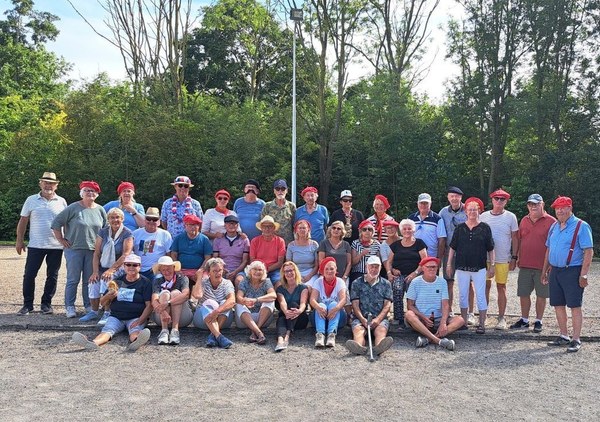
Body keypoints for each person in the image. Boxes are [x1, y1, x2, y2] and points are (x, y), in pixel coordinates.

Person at [542, 196, 593, 353]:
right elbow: (548, 249)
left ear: (570, 208)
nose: (560, 210)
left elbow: (589, 251)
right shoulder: (554, 227)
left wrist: (583, 274)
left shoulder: (581, 226)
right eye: (557, 208)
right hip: (555, 270)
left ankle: (576, 339)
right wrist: (544, 270)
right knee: (558, 304)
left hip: (572, 270)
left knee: (574, 306)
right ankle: (564, 335)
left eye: (563, 207)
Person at [71, 254, 152, 351]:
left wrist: (140, 320)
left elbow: (149, 305)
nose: (131, 267)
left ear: (140, 267)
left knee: (135, 331)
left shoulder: (145, 282)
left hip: (135, 316)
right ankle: (93, 343)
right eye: (128, 264)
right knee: (106, 331)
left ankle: (136, 341)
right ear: (124, 266)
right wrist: (108, 296)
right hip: (116, 316)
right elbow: (102, 302)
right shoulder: (117, 281)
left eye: (134, 265)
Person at [51, 180, 107, 318]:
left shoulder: (100, 210)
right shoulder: (73, 208)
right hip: (74, 249)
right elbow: (56, 223)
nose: (90, 193)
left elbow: (105, 229)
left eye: (93, 191)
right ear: (82, 192)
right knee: (73, 279)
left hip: (93, 250)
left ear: (97, 194)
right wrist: (61, 239)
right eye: (87, 190)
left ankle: (88, 305)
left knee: (90, 280)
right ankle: (70, 306)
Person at [16, 172, 67, 315]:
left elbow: (66, 223)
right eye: (45, 182)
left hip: (56, 246)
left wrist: (66, 240)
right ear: (40, 183)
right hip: (35, 244)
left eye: (51, 183)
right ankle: (27, 304)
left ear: (56, 185)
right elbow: (23, 221)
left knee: (53, 275)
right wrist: (19, 240)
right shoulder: (31, 200)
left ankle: (46, 304)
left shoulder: (62, 201)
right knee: (29, 275)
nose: (48, 185)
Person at [447, 197, 495, 334]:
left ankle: (481, 324)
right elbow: (452, 247)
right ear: (466, 211)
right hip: (462, 267)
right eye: (470, 209)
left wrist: (492, 265)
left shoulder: (485, 228)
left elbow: (491, 248)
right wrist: (449, 264)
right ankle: (463, 321)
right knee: (462, 294)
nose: (472, 212)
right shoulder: (460, 228)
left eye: (475, 209)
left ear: (479, 211)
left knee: (480, 295)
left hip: (479, 267)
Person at [510, 194, 556, 333]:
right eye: (530, 204)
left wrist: (550, 265)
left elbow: (554, 245)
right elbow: (519, 240)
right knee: (523, 293)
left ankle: (538, 320)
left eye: (536, 204)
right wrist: (515, 257)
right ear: (527, 206)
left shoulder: (552, 222)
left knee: (541, 295)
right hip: (525, 264)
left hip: (543, 266)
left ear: (542, 204)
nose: (533, 206)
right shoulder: (524, 220)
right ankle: (524, 320)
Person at [81, 207, 133, 324]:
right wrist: (95, 271)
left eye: (117, 217)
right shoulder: (103, 232)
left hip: (119, 266)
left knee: (107, 279)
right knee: (93, 282)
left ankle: (107, 312)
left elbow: (126, 254)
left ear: (122, 219)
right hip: (103, 265)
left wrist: (111, 270)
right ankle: (94, 311)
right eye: (112, 217)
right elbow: (97, 253)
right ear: (108, 219)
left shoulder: (127, 233)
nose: (115, 220)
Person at [405, 257, 465, 350]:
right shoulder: (415, 282)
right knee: (409, 314)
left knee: (460, 320)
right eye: (429, 267)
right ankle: (439, 341)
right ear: (423, 268)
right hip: (421, 319)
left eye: (434, 267)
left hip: (438, 318)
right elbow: (410, 305)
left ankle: (428, 339)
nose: (432, 269)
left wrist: (443, 322)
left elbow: (445, 304)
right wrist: (423, 317)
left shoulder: (442, 282)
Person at [479, 189, 519, 330]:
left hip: (503, 258)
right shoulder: (483, 216)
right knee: (485, 286)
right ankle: (483, 315)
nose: (499, 201)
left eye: (502, 199)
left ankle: (501, 317)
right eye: (497, 198)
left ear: (506, 201)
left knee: (501, 287)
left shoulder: (511, 217)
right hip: (485, 258)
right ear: (492, 200)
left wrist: (514, 256)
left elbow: (515, 237)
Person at [345, 256, 394, 356]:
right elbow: (355, 305)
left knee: (380, 331)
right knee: (359, 331)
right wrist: (362, 319)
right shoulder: (356, 283)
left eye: (377, 267)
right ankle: (359, 347)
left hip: (379, 317)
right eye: (371, 266)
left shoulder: (386, 284)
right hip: (360, 317)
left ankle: (379, 347)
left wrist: (378, 319)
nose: (374, 269)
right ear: (366, 267)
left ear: (380, 268)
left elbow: (387, 305)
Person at [384, 219, 427, 328]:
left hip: (415, 274)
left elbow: (424, 261)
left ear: (414, 230)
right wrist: (391, 271)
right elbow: (389, 261)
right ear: (401, 230)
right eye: (404, 229)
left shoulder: (419, 243)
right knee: (397, 289)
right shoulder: (396, 245)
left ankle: (415, 317)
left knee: (413, 292)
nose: (407, 231)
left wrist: (415, 273)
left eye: (409, 229)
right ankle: (399, 319)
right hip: (400, 274)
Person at [191, 257, 236, 349]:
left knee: (225, 302)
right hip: (203, 319)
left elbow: (232, 301)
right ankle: (219, 337)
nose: (218, 273)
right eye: (214, 271)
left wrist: (217, 311)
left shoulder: (227, 283)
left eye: (220, 270)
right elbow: (197, 295)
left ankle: (214, 335)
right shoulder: (203, 282)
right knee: (209, 302)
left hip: (222, 319)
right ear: (208, 272)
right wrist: (199, 277)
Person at [151, 256, 192, 346]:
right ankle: (164, 330)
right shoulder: (157, 281)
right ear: (160, 271)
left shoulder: (182, 278)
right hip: (162, 318)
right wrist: (163, 312)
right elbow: (154, 300)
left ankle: (175, 330)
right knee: (165, 293)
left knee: (176, 293)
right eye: (163, 270)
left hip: (182, 317)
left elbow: (185, 295)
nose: (166, 272)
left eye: (169, 268)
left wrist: (167, 303)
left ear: (174, 268)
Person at [439, 186, 467, 312]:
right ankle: (449, 310)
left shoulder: (468, 210)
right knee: (448, 282)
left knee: (467, 283)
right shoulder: (443, 212)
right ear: (448, 198)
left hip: (466, 252)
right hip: (448, 252)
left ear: (461, 197)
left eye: (457, 196)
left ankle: (468, 312)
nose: (454, 198)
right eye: (452, 196)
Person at [235, 260, 276, 345]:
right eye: (255, 269)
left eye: (260, 270)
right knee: (239, 304)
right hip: (246, 319)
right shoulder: (244, 281)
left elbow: (273, 295)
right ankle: (259, 333)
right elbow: (239, 297)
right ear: (250, 271)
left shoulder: (266, 281)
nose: (257, 272)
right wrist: (244, 301)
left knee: (270, 301)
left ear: (263, 272)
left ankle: (255, 332)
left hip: (263, 318)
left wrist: (256, 299)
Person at [309, 257, 347, 348]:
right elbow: (312, 300)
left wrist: (336, 308)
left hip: (337, 318)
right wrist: (318, 307)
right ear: (322, 270)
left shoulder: (340, 282)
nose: (329, 271)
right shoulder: (318, 282)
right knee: (321, 304)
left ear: (336, 270)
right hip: (320, 317)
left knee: (334, 304)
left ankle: (331, 335)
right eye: (326, 269)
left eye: (332, 269)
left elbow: (343, 300)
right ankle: (320, 335)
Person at [274, 261, 309, 352]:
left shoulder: (303, 287)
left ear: (295, 271)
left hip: (300, 319)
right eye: (286, 271)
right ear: (283, 274)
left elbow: (303, 303)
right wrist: (286, 312)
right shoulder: (280, 288)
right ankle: (281, 340)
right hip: (286, 316)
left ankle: (287, 335)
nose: (289, 273)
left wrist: (299, 311)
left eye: (291, 270)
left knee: (293, 305)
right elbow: (282, 302)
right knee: (281, 318)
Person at [132, 207, 173, 281]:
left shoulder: (165, 234)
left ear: (158, 221)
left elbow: (169, 254)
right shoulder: (135, 233)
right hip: (137, 269)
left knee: (157, 281)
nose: (151, 221)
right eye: (148, 218)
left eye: (154, 219)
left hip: (156, 271)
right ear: (144, 219)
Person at [170, 214, 212, 284]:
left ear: (199, 226)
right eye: (190, 225)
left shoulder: (204, 239)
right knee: (175, 282)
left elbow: (208, 257)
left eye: (195, 225)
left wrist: (201, 270)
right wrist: (177, 269)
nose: (193, 227)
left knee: (205, 281)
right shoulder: (178, 238)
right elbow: (173, 254)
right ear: (185, 226)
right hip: (181, 269)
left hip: (199, 269)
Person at [246, 215, 286, 285]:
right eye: (265, 226)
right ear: (261, 228)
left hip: (274, 270)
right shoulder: (255, 241)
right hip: (257, 268)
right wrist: (261, 270)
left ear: (274, 228)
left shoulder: (280, 241)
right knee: (242, 280)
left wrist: (267, 269)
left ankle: (276, 296)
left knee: (279, 283)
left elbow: (280, 262)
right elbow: (252, 260)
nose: (267, 229)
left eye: (270, 226)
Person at [408, 193, 447, 260]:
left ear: (430, 204)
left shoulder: (437, 219)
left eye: (426, 203)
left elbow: (442, 239)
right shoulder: (411, 218)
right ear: (417, 204)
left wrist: (439, 258)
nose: (423, 205)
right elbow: (406, 236)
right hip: (413, 256)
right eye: (421, 203)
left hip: (431, 256)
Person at [212, 215, 250, 282]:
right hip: (221, 269)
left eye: (234, 223)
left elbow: (245, 261)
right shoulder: (218, 240)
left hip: (239, 270)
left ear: (237, 225)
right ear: (225, 225)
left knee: (239, 280)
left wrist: (235, 272)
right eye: (228, 223)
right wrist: (222, 269)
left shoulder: (244, 240)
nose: (231, 225)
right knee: (216, 280)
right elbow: (215, 258)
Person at [260, 179, 296, 245]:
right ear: (274, 191)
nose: (280, 191)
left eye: (283, 189)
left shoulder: (291, 206)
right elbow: (262, 225)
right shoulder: (267, 206)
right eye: (277, 189)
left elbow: (295, 225)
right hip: (271, 243)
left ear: (286, 190)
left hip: (287, 243)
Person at [286, 219, 319, 287]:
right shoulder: (291, 245)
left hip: (311, 273)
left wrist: (309, 276)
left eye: (304, 228)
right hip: (295, 272)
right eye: (300, 228)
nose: (302, 230)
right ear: (296, 230)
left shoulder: (314, 244)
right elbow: (288, 264)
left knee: (308, 288)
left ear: (308, 230)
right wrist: (297, 276)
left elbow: (317, 265)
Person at [350, 220, 382, 284]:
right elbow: (353, 262)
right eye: (364, 229)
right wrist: (361, 254)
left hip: (373, 273)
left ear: (372, 232)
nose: (367, 231)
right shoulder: (356, 243)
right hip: (358, 273)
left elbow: (379, 262)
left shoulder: (377, 244)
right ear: (361, 232)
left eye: (369, 229)